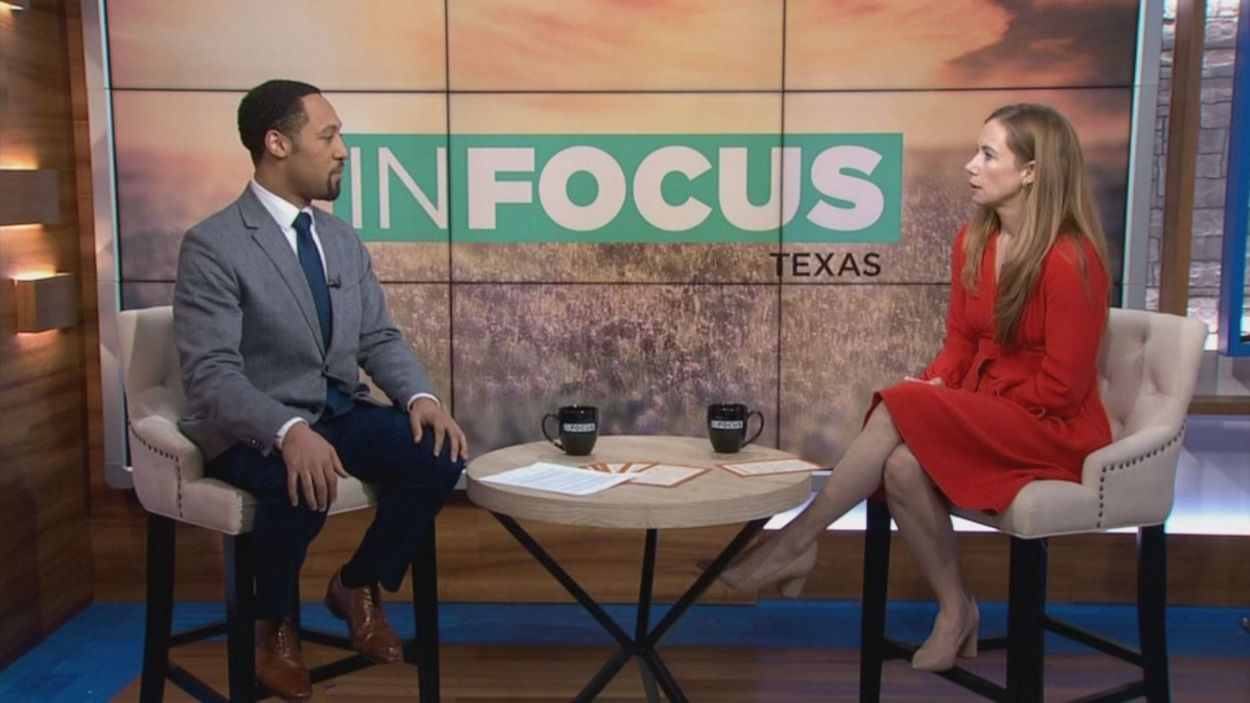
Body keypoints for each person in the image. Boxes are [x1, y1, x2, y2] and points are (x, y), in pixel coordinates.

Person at [717, 103, 1112, 672]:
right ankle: (956, 610)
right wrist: (937, 386)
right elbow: (961, 344)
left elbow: (1063, 390)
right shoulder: (973, 241)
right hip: (991, 410)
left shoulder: (1071, 260)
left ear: (1031, 171)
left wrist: (953, 408)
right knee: (901, 463)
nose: (971, 165)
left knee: (901, 406)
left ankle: (794, 542)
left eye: (988, 154)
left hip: (1052, 428)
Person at [174, 79, 468, 700]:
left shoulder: (338, 238)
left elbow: (378, 338)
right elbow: (211, 375)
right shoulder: (214, 245)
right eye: (328, 136)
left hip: (335, 411)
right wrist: (287, 431)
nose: (342, 150)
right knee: (301, 477)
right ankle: (274, 625)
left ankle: (357, 584)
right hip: (251, 427)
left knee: (438, 454)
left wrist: (421, 399)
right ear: (277, 143)